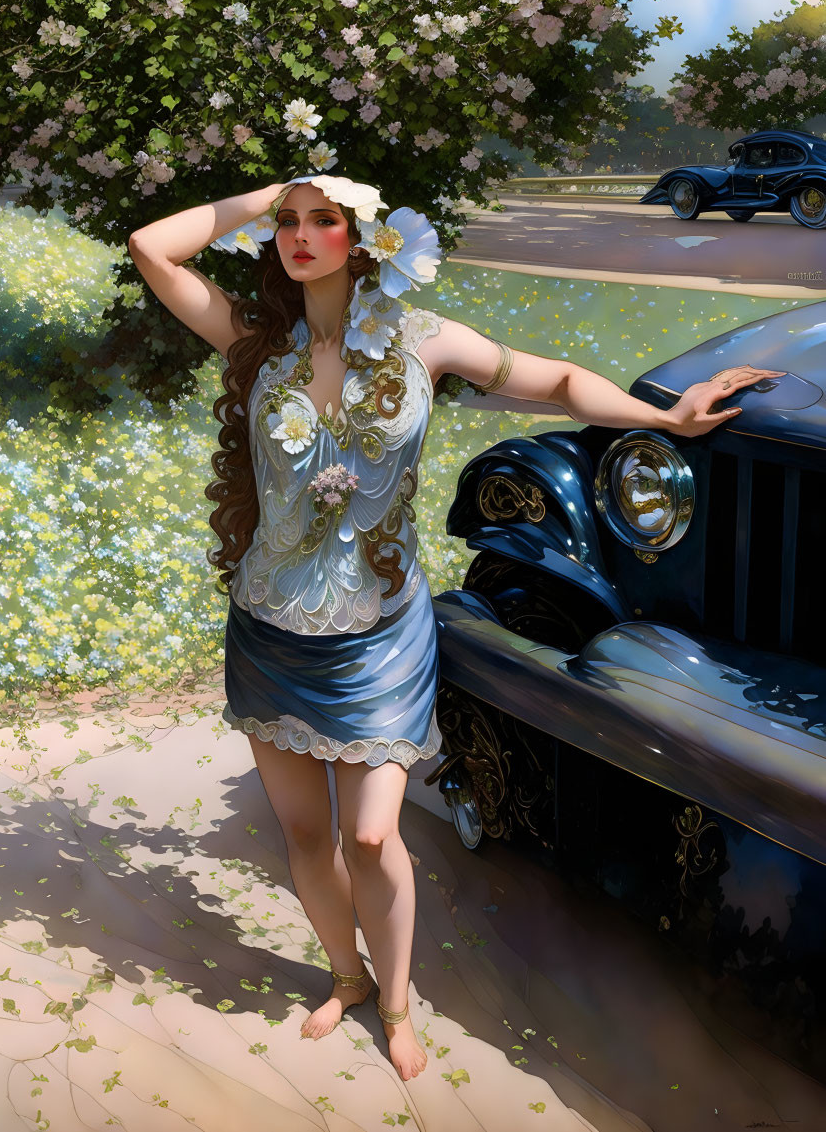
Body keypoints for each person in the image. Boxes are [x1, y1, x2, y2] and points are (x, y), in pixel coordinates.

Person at [128, 173, 785, 1082]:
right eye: (288, 222)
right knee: (305, 835)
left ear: (366, 239)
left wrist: (663, 414)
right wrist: (270, 188)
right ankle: (347, 977)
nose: (301, 234)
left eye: (325, 219)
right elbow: (152, 248)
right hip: (271, 628)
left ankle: (396, 1005)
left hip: (377, 632)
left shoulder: (422, 340)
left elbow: (552, 379)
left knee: (369, 835)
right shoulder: (255, 342)